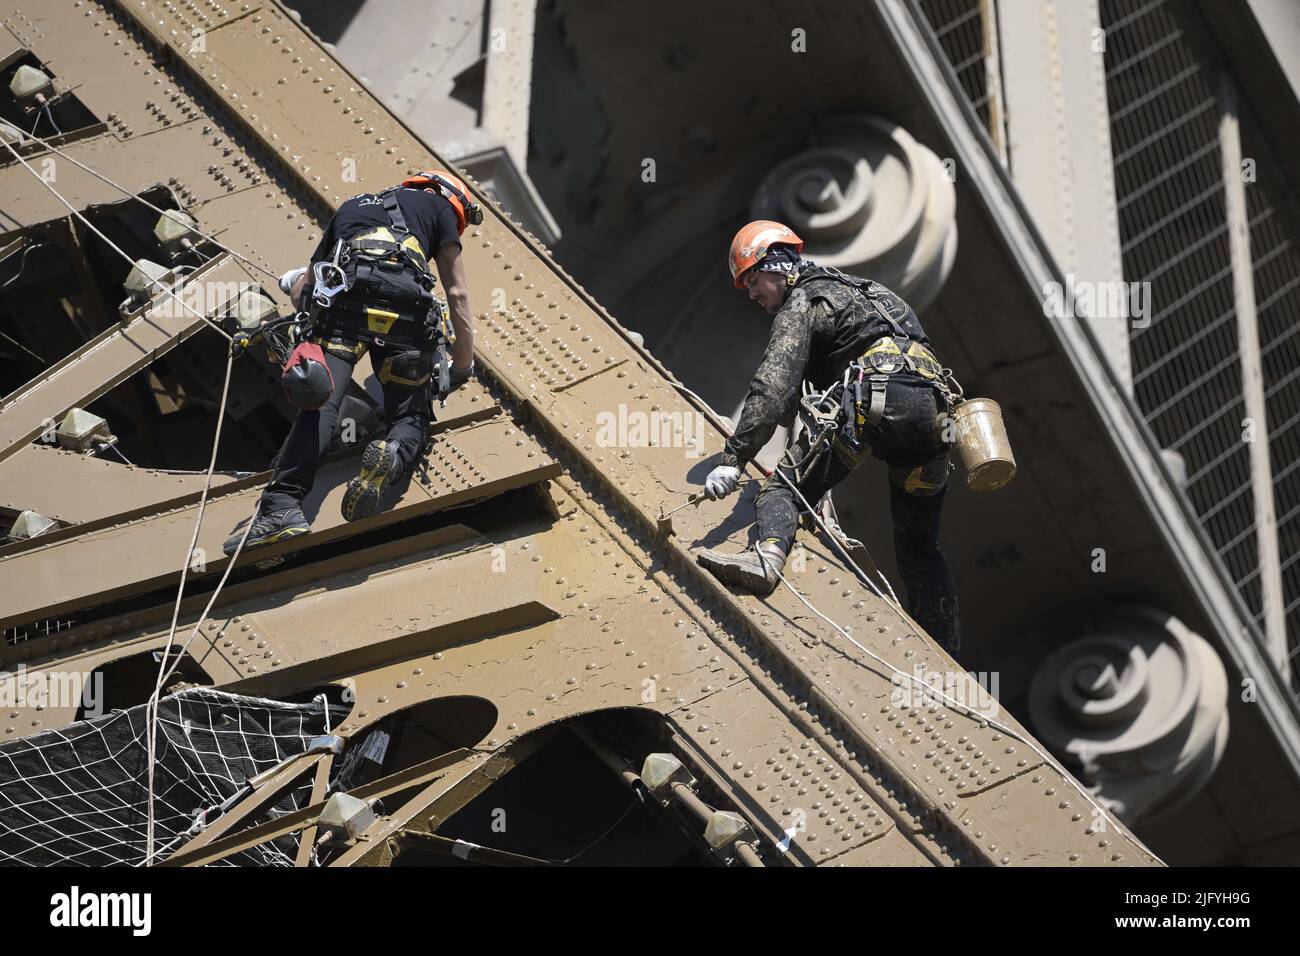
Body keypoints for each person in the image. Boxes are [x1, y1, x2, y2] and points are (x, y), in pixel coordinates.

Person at [696, 220, 962, 657]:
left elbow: (773, 384)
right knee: (919, 545)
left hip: (875, 404)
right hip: (933, 420)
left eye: (754, 280)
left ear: (776, 265)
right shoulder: (873, 294)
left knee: (784, 488)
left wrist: (734, 457)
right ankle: (947, 652)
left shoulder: (803, 300)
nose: (753, 294)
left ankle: (765, 561)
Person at [223, 170, 479, 556]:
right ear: (452, 198)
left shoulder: (353, 207)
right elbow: (456, 293)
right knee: (410, 417)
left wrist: (290, 281)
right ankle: (391, 455)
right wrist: (462, 364)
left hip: (346, 313)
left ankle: (282, 508)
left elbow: (304, 291)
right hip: (407, 319)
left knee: (320, 406)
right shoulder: (439, 208)